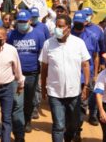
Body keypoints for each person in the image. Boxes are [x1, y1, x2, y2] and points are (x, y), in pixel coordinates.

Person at [40, 14, 91, 142]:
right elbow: (44, 68)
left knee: (73, 125)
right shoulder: (48, 44)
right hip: (55, 92)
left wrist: (86, 86)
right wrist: (43, 87)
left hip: (74, 92)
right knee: (58, 126)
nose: (58, 28)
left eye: (61, 26)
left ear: (68, 28)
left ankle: (68, 138)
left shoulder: (78, 43)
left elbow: (85, 65)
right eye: (57, 26)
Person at [8, 10, 46, 139]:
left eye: (24, 21)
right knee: (17, 101)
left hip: (32, 73)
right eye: (20, 21)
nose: (22, 24)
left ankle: (27, 120)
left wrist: (42, 72)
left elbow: (42, 55)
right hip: (15, 74)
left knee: (29, 100)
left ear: (30, 21)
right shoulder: (12, 35)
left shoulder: (39, 34)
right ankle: (18, 124)